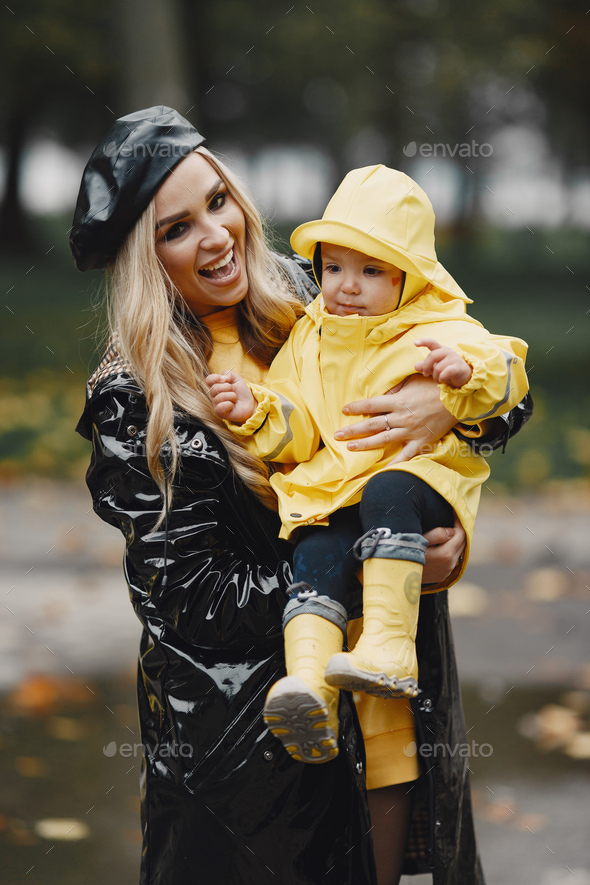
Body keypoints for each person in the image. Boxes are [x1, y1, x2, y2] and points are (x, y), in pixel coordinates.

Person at [72, 107, 531, 885]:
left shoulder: (317, 299)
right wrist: (375, 563)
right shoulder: (137, 396)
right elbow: (191, 595)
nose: (216, 236)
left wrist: (449, 412)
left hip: (385, 708)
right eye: (176, 229)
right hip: (254, 754)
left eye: (218, 202)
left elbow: (491, 373)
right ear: (143, 261)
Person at [207, 165, 529, 776]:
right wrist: (259, 412)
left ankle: (389, 647)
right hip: (336, 490)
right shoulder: (309, 337)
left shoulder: (436, 327)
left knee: (388, 492)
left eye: (371, 270)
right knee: (314, 551)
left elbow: (508, 371)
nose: (346, 286)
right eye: (333, 268)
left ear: (409, 276)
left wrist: (464, 379)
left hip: (418, 480)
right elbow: (301, 427)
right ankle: (309, 690)